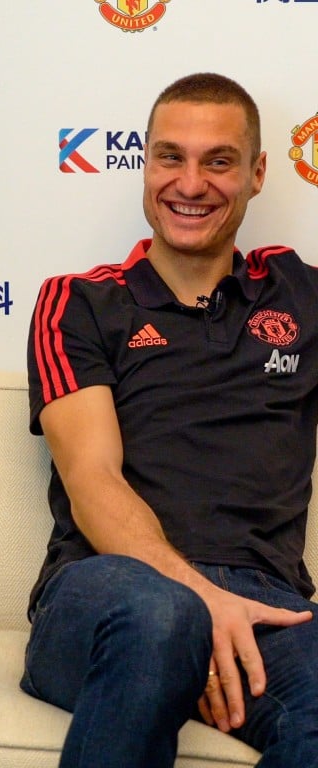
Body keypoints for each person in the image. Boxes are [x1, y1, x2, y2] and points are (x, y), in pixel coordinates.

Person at [23, 72, 318, 768]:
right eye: (169, 157)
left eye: (218, 161)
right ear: (145, 163)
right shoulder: (79, 302)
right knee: (164, 618)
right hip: (108, 589)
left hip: (267, 606)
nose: (190, 183)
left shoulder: (301, 293)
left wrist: (226, 608)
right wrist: (200, 599)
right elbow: (92, 481)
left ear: (257, 174)